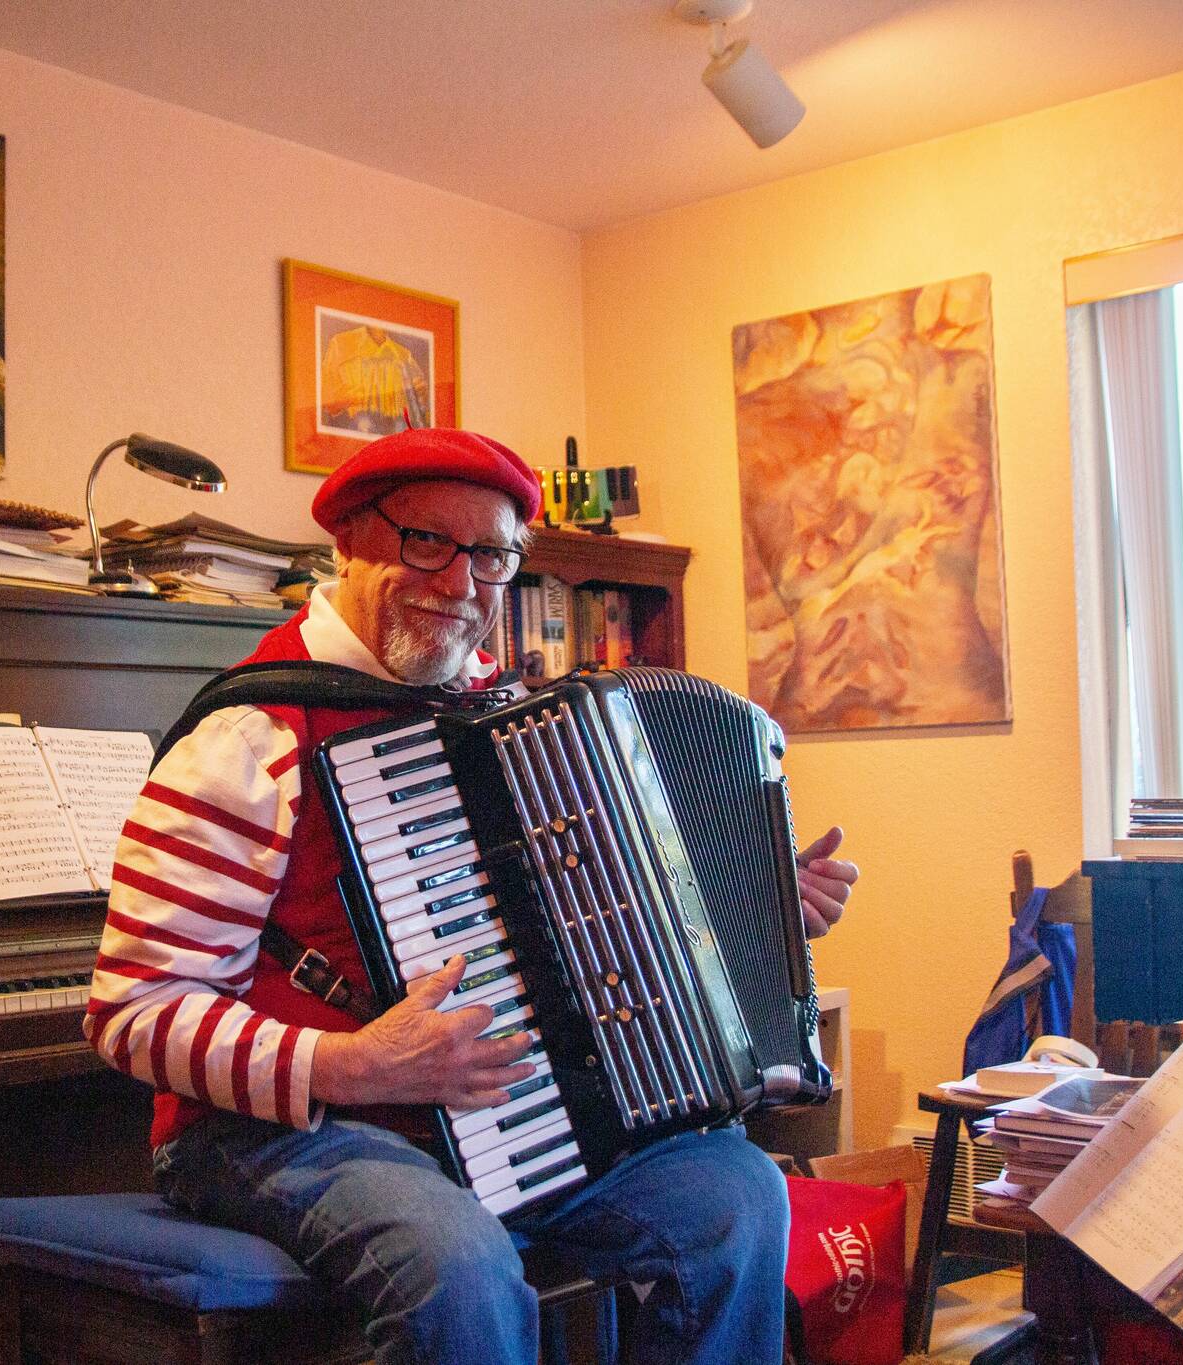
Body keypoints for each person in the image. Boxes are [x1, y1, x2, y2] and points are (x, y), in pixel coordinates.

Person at [84, 427, 859, 1365]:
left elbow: (599, 924)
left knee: (737, 1195)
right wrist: (350, 1065)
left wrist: (752, 914)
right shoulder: (248, 736)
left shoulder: (508, 716)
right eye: (426, 542)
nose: (459, 583)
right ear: (349, 541)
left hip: (508, 1120)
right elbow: (133, 1011)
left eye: (491, 555)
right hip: (274, 1132)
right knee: (458, 1262)